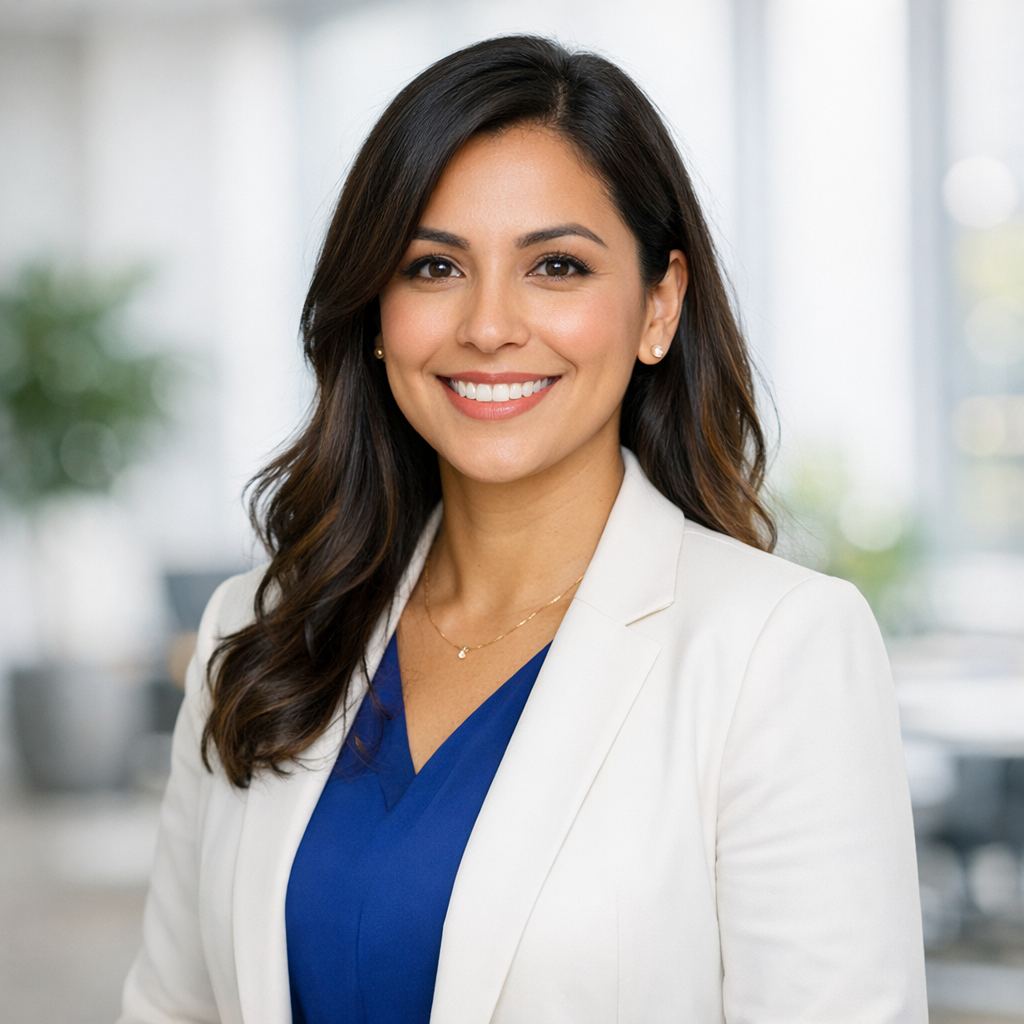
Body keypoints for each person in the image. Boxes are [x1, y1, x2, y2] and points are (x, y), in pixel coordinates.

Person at [120, 35, 927, 1024]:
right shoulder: (257, 630)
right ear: (376, 312)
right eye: (432, 266)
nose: (490, 324)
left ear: (658, 305)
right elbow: (171, 1007)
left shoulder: (777, 649)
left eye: (555, 265)